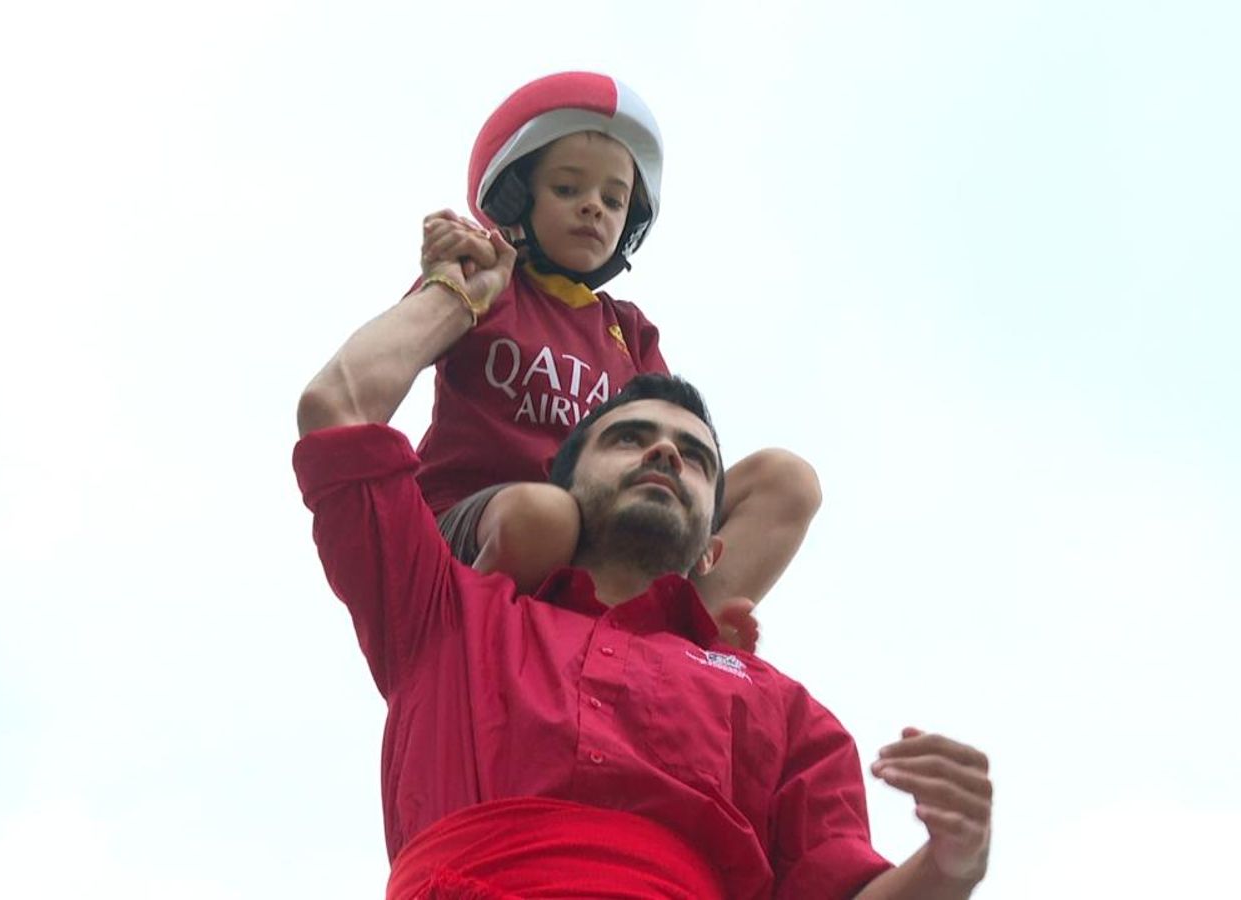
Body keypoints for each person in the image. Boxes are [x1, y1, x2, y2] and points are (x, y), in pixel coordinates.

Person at [294, 237, 993, 898]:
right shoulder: (446, 612)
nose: (665, 454)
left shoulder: (781, 709)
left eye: (695, 457)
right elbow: (339, 408)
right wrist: (458, 296)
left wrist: (950, 866)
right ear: (564, 492)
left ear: (713, 546)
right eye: (630, 439)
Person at [410, 71, 822, 648]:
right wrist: (447, 271)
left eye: (612, 199)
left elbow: (679, 440)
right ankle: (464, 653)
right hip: (483, 526)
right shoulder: (491, 285)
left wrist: (693, 530)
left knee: (788, 480)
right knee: (547, 515)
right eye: (567, 189)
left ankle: (676, 645)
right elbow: (402, 347)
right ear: (513, 199)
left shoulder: (628, 330)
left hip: (600, 527)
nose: (592, 210)